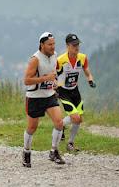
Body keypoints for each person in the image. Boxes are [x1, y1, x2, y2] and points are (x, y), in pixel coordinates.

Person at [23, 32, 65, 168]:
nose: (53, 47)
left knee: (59, 123)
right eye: (50, 44)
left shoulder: (54, 55)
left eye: (54, 44)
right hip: (34, 97)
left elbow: (54, 73)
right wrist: (45, 78)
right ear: (42, 45)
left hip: (49, 95)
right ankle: (26, 152)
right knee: (32, 127)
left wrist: (55, 82)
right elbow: (26, 80)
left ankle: (54, 151)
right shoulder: (35, 59)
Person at [56, 33, 96, 152]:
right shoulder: (60, 60)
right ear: (67, 46)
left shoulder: (82, 58)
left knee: (79, 119)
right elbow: (53, 75)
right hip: (63, 91)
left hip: (75, 91)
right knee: (75, 117)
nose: (77, 47)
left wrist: (90, 80)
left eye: (78, 44)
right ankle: (69, 142)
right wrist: (54, 88)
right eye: (74, 45)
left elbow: (87, 71)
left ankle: (64, 130)